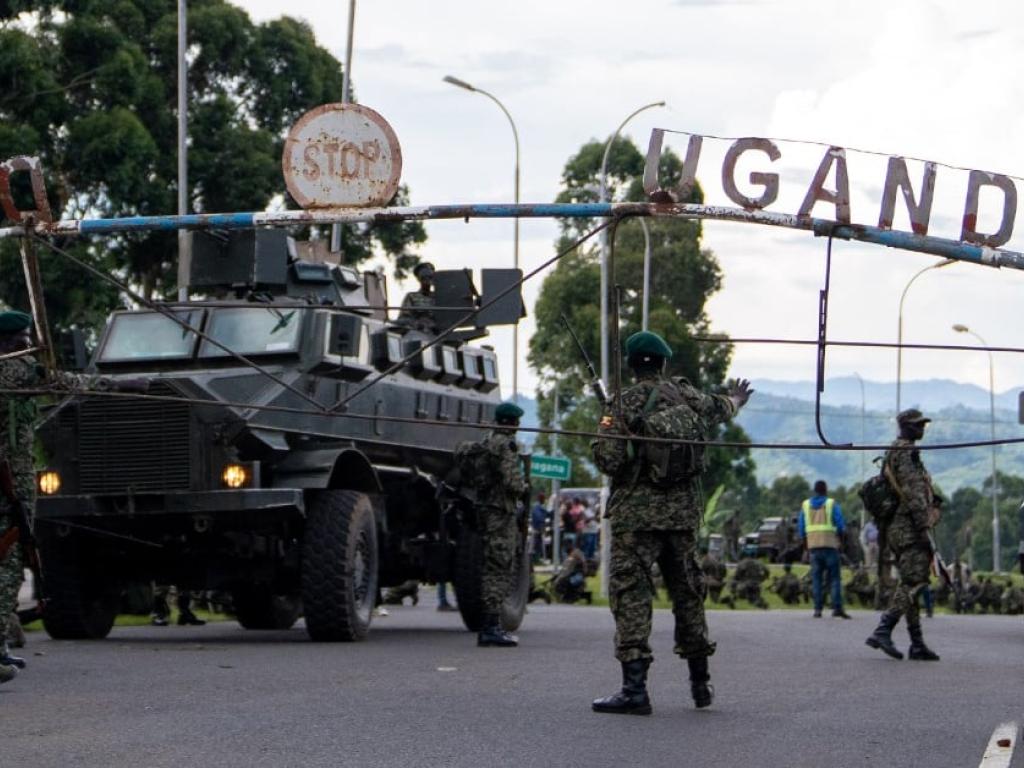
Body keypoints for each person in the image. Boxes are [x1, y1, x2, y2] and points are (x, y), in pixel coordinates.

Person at [590, 330, 751, 715]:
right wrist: (737, 398)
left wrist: (610, 437)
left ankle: (635, 690)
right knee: (688, 595)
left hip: (637, 519)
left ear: (633, 364)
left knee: (632, 595)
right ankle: (700, 684)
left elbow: (609, 461)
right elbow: (723, 407)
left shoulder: (623, 402)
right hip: (682, 516)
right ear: (663, 363)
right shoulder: (688, 396)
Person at [0, 309, 145, 674]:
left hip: (11, 483)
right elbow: (63, 381)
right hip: (7, 488)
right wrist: (122, 386)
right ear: (11, 342)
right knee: (10, 564)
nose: (30, 345)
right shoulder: (14, 371)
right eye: (25, 340)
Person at [865, 409, 941, 661]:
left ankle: (917, 643)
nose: (921, 430)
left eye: (923, 426)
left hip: (898, 528)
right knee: (915, 581)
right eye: (917, 425)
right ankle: (883, 629)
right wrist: (923, 526)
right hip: (907, 527)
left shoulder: (896, 451)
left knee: (910, 581)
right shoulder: (906, 453)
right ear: (905, 427)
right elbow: (914, 494)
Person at [456, 401, 529, 647]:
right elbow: (512, 482)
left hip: (485, 509)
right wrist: (524, 487)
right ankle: (491, 626)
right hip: (501, 513)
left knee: (492, 564)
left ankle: (491, 625)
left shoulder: (485, 442)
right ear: (513, 423)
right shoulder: (505, 446)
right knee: (499, 567)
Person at [800, 480, 851, 619]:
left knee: (816, 579)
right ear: (826, 490)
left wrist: (806, 549)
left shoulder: (805, 505)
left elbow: (802, 530)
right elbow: (840, 525)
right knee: (834, 578)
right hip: (830, 546)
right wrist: (841, 542)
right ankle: (837, 608)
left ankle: (817, 610)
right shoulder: (831, 504)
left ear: (815, 490)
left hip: (814, 548)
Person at [396, 262, 438, 333]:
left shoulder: (438, 297)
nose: (427, 281)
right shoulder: (411, 296)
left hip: (437, 332)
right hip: (418, 332)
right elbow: (404, 318)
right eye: (424, 278)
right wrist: (419, 324)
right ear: (419, 279)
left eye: (429, 277)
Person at [530, 492, 549, 563]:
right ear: (541, 499)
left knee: (539, 544)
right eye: (544, 499)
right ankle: (535, 560)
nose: (544, 501)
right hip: (537, 528)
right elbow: (539, 518)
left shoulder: (539, 506)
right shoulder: (537, 507)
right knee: (536, 544)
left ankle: (537, 559)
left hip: (539, 528)